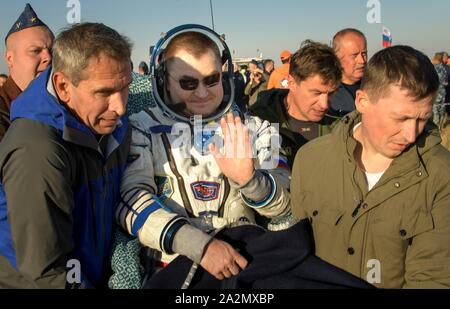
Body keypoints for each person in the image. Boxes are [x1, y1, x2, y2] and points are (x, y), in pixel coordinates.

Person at [114, 25, 290, 285]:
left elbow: (287, 206)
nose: (202, 93)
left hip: (245, 267)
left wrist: (251, 182)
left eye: (212, 80)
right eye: (188, 83)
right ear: (163, 80)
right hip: (173, 270)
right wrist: (199, 245)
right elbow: (129, 199)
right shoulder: (140, 128)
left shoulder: (258, 129)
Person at [291, 45, 450, 288]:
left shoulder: (440, 174)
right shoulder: (310, 160)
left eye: (422, 119)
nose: (410, 134)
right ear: (363, 101)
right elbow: (296, 256)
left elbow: (433, 278)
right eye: (400, 118)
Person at [0, 22, 132, 288]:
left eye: (125, 88)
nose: (119, 107)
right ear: (63, 86)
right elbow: (46, 270)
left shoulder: (114, 124)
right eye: (104, 93)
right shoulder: (37, 150)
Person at [250, 40, 342, 167]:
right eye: (316, 93)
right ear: (291, 83)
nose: (324, 104)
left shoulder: (340, 126)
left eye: (331, 93)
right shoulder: (258, 121)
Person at [0, 3, 54, 141]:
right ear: (10, 59)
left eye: (52, 50)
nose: (48, 58)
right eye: (35, 51)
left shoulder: (63, 106)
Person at [328, 28, 367, 118]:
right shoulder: (326, 93)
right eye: (354, 55)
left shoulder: (378, 86)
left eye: (364, 53)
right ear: (337, 57)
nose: (362, 60)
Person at [431, 52, 448, 128]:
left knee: (435, 112)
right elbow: (445, 81)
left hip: (436, 93)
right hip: (443, 93)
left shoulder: (433, 68)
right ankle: (441, 127)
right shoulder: (444, 68)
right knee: (441, 110)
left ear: (435, 58)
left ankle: (436, 127)